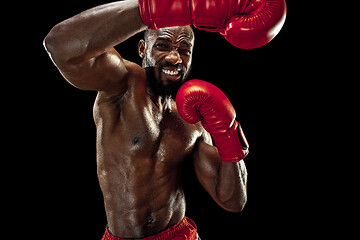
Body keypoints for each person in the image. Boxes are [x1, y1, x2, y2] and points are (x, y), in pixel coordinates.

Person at [44, 0, 286, 239]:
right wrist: (166, 7)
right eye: (162, 45)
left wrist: (230, 133)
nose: (174, 58)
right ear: (142, 49)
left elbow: (233, 200)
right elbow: (59, 46)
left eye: (184, 50)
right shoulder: (122, 86)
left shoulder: (192, 118)